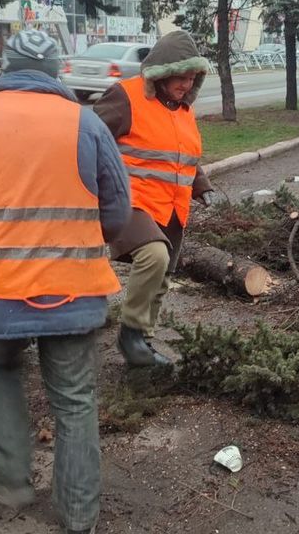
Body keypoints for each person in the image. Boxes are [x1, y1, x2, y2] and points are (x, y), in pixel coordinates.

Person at [0, 29, 131, 534]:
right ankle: (79, 516)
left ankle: (14, 484)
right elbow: (118, 212)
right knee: (75, 400)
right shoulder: (85, 124)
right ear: (56, 71)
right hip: (72, 288)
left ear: (5, 69)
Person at [94, 30, 215, 367]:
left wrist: (201, 186)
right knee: (154, 256)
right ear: (162, 71)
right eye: (182, 76)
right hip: (129, 200)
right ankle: (130, 334)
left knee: (163, 277)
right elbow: (89, 138)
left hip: (172, 206)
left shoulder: (182, 110)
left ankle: (142, 343)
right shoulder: (125, 97)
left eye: (193, 78)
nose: (187, 85)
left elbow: (184, 155)